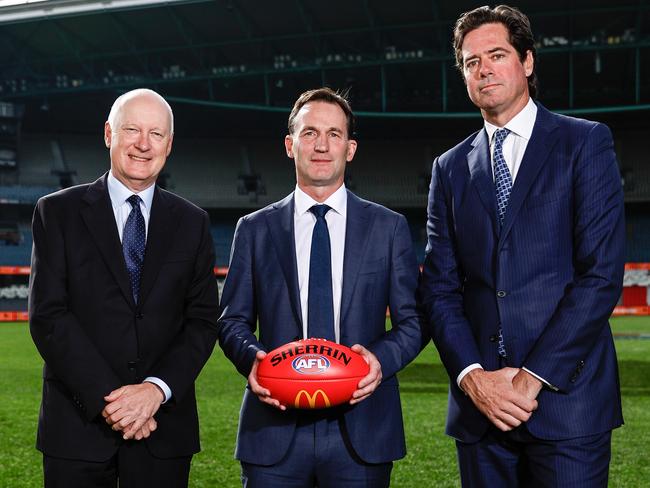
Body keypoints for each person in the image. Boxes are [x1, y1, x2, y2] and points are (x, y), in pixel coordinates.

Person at [418, 5, 625, 487]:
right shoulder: (448, 168)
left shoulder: (584, 142)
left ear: (527, 62)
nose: (483, 69)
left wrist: (530, 377)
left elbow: (600, 276)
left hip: (567, 403)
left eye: (496, 54)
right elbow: (441, 288)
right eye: (471, 62)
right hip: (481, 411)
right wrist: (473, 377)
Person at [218, 87, 423, 487]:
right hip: (274, 428)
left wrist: (378, 361)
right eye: (310, 133)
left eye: (334, 134)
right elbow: (232, 321)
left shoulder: (388, 228)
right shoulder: (255, 229)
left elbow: (413, 321)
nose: (322, 145)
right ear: (290, 145)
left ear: (350, 148)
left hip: (362, 429)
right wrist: (254, 361)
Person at [29, 88, 220, 487]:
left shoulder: (193, 221)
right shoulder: (57, 212)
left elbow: (201, 322)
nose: (143, 144)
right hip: (77, 428)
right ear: (108, 134)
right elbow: (49, 317)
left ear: (169, 143)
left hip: (163, 428)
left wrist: (154, 391)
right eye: (131, 129)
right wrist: (113, 401)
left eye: (155, 133)